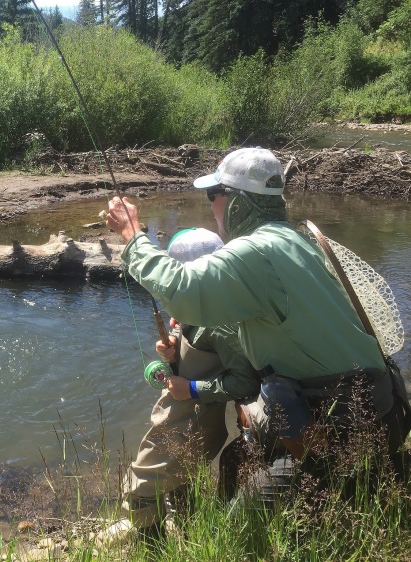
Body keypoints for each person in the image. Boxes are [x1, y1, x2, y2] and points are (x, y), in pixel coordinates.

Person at [105, 147, 407, 468]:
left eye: (213, 194)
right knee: (239, 456)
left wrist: (133, 235)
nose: (210, 206)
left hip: (345, 432)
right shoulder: (298, 240)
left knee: (241, 486)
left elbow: (183, 293)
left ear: (237, 199)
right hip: (384, 412)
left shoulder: (255, 251)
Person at [121, 227, 262, 530]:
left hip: (195, 420)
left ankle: (150, 549)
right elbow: (189, 341)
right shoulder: (194, 309)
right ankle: (189, 535)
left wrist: (194, 388)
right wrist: (170, 348)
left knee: (141, 488)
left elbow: (246, 382)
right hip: (181, 418)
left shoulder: (222, 323)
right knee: (182, 481)